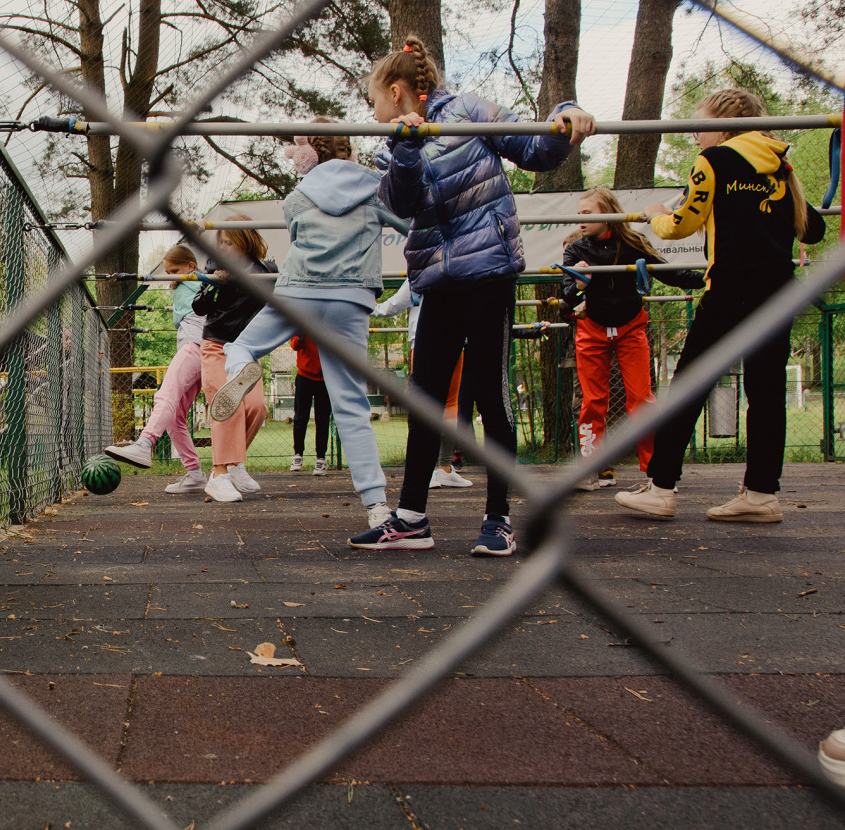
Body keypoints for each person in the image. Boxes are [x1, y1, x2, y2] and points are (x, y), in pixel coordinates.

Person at [348, 35, 594, 555]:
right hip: (438, 279)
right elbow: (397, 203)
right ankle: (411, 518)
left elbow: (534, 150)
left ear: (396, 91)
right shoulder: (392, 141)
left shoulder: (467, 110)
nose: (371, 111)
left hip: (488, 271)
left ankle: (498, 519)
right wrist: (406, 147)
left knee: (489, 393)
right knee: (426, 396)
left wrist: (565, 117)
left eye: (373, 99)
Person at [616, 88, 827, 522]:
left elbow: (681, 225)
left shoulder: (715, 161)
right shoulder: (780, 165)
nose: (694, 134)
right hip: (779, 290)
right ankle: (761, 494)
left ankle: (661, 488)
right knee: (766, 393)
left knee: (690, 384)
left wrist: (654, 214)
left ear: (723, 124)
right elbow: (813, 231)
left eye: (700, 124)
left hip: (730, 288)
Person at [208, 131, 399, 527]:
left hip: (299, 291)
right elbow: (411, 222)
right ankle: (377, 506)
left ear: (308, 158)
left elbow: (296, 234)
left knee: (241, 347)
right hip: (350, 298)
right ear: (350, 151)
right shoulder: (377, 189)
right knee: (351, 405)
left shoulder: (297, 198)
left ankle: (241, 366)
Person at [561, 187, 701, 491]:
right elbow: (567, 298)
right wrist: (580, 283)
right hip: (592, 330)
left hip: (630, 328)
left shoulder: (634, 242)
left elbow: (670, 273)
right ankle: (591, 468)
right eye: (579, 213)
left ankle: (656, 471)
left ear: (609, 213)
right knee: (593, 401)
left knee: (642, 399)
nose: (580, 219)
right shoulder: (576, 250)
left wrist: (708, 275)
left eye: (588, 213)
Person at [105, 245, 210, 493]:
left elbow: (209, 279)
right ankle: (194, 473)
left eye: (175, 270)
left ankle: (144, 444)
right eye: (167, 271)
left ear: (190, 267)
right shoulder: (185, 284)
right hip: (198, 347)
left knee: (165, 394)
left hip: (196, 344)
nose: (170, 275)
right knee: (175, 418)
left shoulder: (198, 279)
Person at [193, 216, 274, 503]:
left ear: (245, 240)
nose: (224, 248)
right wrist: (217, 283)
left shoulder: (267, 271)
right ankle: (218, 475)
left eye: (229, 242)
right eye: (221, 243)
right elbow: (198, 306)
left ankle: (235, 463)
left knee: (256, 408)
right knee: (228, 404)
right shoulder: (216, 267)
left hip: (247, 350)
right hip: (217, 345)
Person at [373, 278, 472, 489]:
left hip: (424, 341)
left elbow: (393, 305)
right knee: (448, 402)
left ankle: (430, 470)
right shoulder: (460, 267)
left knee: (425, 404)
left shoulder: (419, 272)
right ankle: (443, 467)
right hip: (454, 339)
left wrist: (370, 308)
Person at [289, 335, 331, 474]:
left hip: (325, 377)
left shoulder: (329, 320)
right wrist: (301, 336)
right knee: (300, 417)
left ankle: (321, 459)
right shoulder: (304, 317)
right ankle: (298, 455)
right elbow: (294, 344)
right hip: (304, 375)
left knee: (322, 419)